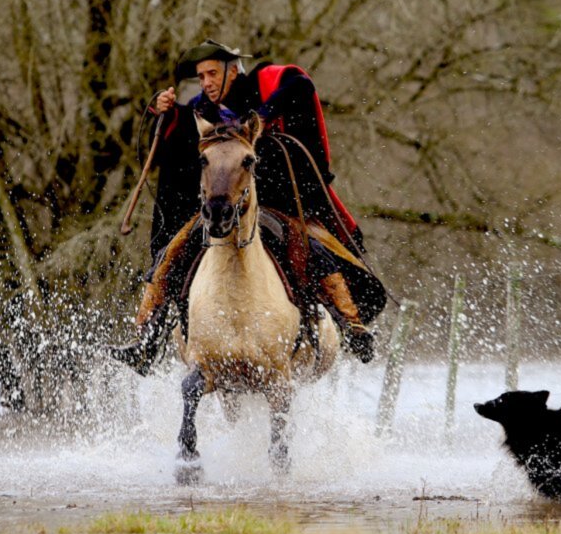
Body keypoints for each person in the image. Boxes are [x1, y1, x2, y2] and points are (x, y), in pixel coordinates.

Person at [109, 40, 386, 375]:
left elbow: (300, 85)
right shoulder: (201, 112)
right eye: (201, 76)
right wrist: (165, 113)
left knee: (315, 251)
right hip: (220, 208)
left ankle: (351, 326)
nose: (206, 82)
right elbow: (182, 141)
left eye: (212, 73)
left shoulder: (262, 84)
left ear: (232, 70)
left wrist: (265, 116)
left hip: (277, 203)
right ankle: (147, 338)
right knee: (172, 254)